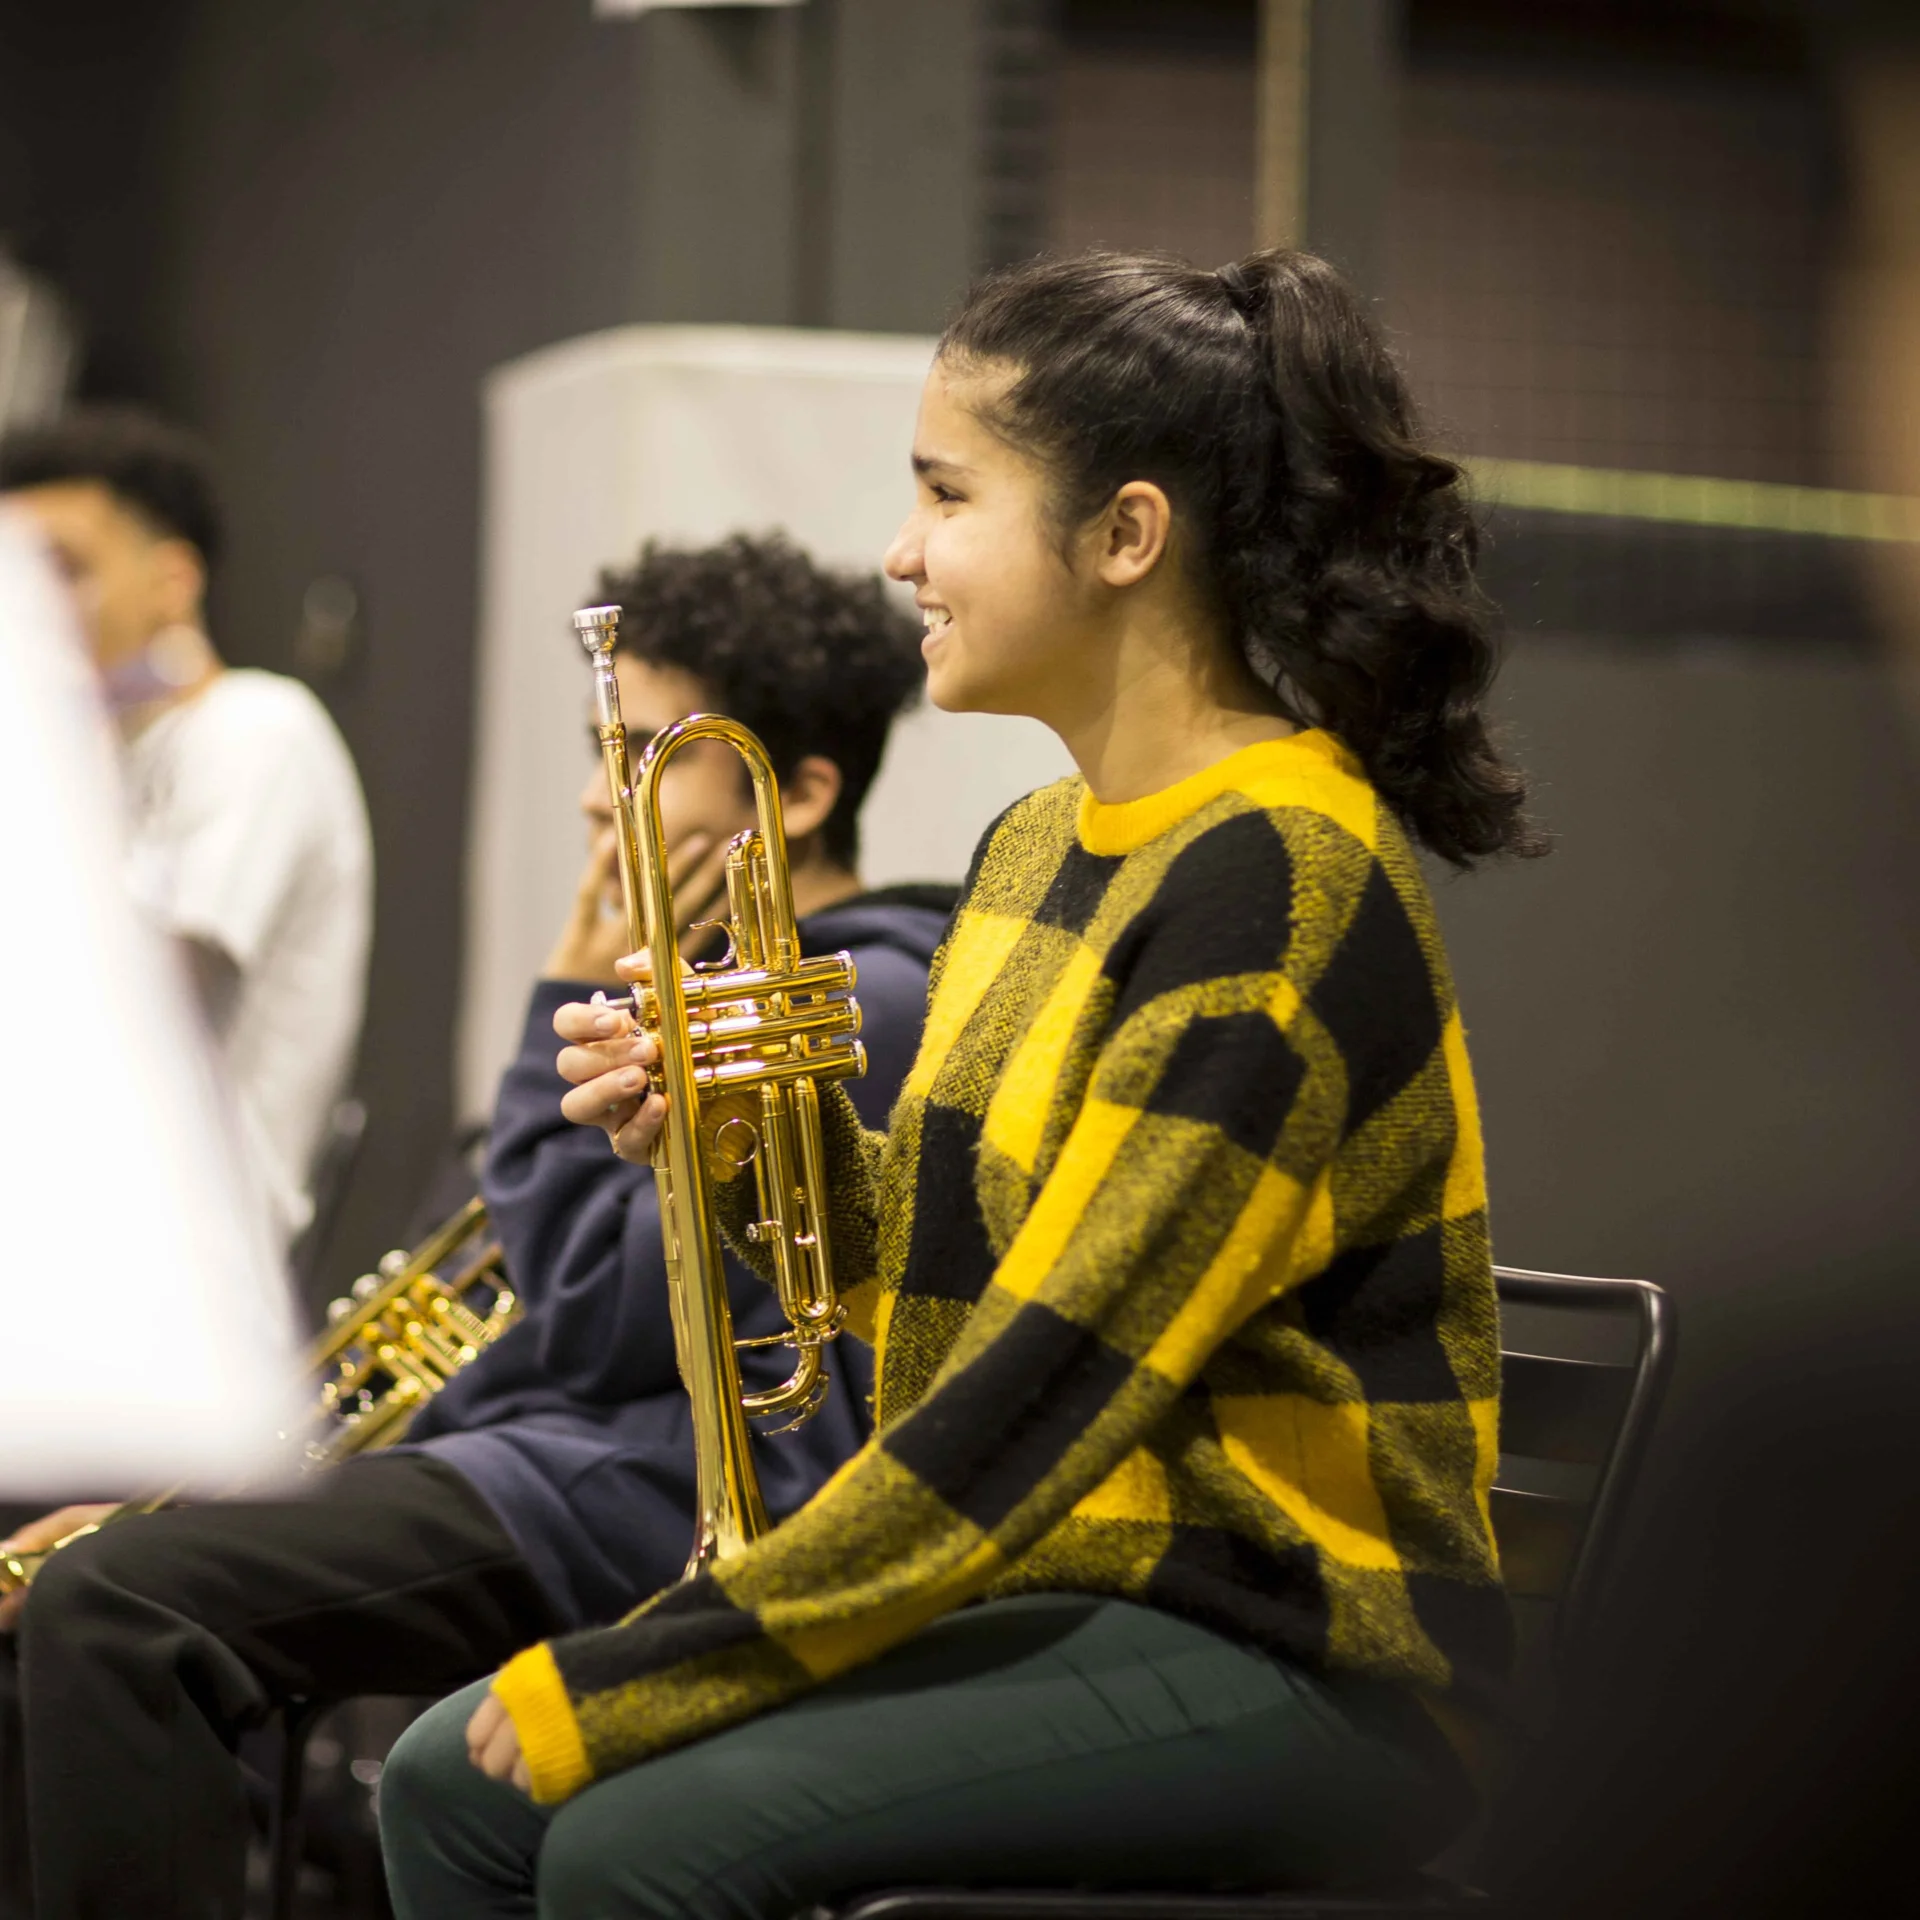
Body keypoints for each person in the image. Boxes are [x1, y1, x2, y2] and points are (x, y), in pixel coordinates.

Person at [377, 246, 1543, 1920]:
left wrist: (662, 1667)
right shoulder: (1031, 847)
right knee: (444, 1781)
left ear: (1127, 537)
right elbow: (925, 1276)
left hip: (1304, 1648)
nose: (901, 553)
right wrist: (732, 1133)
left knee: (638, 1839)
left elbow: (1044, 1386)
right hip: (1090, 1582)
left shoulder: (1282, 873)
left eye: (946, 494)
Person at [0, 531, 943, 1920]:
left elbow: (593, 1316)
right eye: (593, 749)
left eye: (638, 756)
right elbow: (500, 1288)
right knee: (79, 1576)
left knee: (121, 1606)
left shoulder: (859, 993)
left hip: (658, 1487)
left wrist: (550, 1000)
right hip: (549, 1460)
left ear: (795, 794)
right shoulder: (693, 979)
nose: (589, 799)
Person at [0, 407, 373, 1251]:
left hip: (181, 1266)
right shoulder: (105, 759)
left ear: (173, 581)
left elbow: (125, 1015)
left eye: (62, 569)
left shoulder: (256, 730)